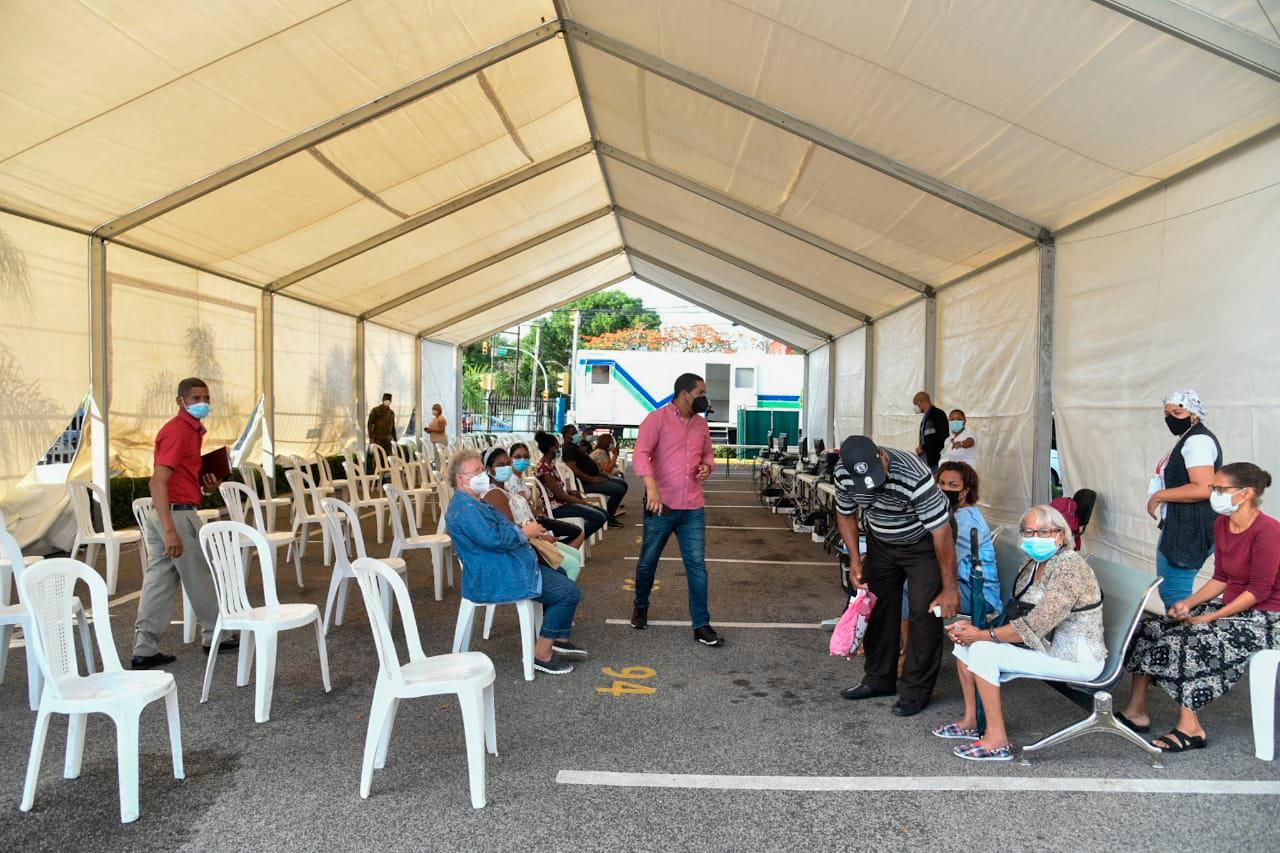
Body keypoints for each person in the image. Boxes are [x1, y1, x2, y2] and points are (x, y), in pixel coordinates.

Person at [1121, 463, 1280, 753]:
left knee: (1191, 639)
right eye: (1213, 488)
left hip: (1267, 617)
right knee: (1150, 627)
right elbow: (1222, 577)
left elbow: (1258, 591)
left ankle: (1190, 728)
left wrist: (1212, 616)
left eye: (1220, 489)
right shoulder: (1222, 524)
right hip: (1233, 605)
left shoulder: (1268, 531)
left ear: (1246, 493)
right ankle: (1136, 711)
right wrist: (1188, 604)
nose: (1213, 494)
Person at [939, 505, 1106, 761]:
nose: (1034, 538)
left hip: (1075, 658)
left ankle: (997, 741)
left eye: (1043, 532)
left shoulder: (1069, 567)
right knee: (966, 643)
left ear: (1060, 535)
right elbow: (1018, 612)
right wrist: (972, 629)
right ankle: (972, 721)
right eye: (1028, 532)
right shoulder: (1032, 563)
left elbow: (1036, 625)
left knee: (982, 650)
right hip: (1045, 646)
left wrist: (981, 635)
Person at [835, 434, 958, 716]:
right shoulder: (843, 472)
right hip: (882, 541)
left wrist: (949, 588)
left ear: (881, 455)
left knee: (925, 611)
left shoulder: (913, 473)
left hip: (924, 542)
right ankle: (879, 680)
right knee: (877, 606)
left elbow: (942, 534)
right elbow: (846, 515)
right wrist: (854, 560)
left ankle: (916, 691)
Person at [445, 448, 586, 674]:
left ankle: (558, 638)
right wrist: (524, 533)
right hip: (499, 574)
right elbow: (494, 539)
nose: (482, 475)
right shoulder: (466, 509)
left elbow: (499, 532)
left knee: (560, 574)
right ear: (461, 479)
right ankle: (542, 654)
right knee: (569, 593)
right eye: (476, 471)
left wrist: (525, 533)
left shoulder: (472, 502)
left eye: (482, 470)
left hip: (504, 565)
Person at [131, 378, 236, 669]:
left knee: (159, 582)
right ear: (180, 401)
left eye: (206, 398)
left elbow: (179, 477)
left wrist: (207, 485)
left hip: (166, 512)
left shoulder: (189, 431)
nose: (203, 403)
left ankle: (144, 648)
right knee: (199, 575)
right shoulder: (179, 431)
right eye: (195, 398)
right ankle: (216, 635)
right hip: (176, 514)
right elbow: (157, 481)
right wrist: (170, 530)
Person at [630, 372, 723, 647]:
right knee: (648, 562)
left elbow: (708, 454)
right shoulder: (656, 419)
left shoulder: (701, 425)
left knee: (697, 567)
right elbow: (640, 454)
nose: (704, 398)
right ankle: (641, 605)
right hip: (661, 506)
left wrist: (707, 466)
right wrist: (651, 488)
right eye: (700, 393)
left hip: (693, 507)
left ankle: (701, 625)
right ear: (684, 394)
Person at [1146, 389, 1221, 608]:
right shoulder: (1189, 438)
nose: (1171, 419)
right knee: (1173, 592)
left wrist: (1159, 496)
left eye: (1177, 413)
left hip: (1189, 528)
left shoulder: (1197, 441)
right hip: (1183, 525)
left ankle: (1187, 630)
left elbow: (1203, 488)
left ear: (1194, 414)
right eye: (1167, 414)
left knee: (1174, 595)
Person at [482, 446, 584, 576]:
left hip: (533, 535)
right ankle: (561, 584)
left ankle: (559, 580)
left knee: (575, 555)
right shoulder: (494, 493)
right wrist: (541, 536)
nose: (507, 467)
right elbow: (510, 528)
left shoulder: (505, 488)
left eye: (508, 463)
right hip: (526, 542)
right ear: (490, 469)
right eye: (501, 465)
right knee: (572, 566)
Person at [937, 461, 1000, 620]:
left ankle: (908, 636)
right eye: (941, 483)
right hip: (961, 585)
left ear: (965, 491)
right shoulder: (952, 514)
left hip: (979, 595)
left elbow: (941, 559)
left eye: (953, 485)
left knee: (912, 587)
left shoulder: (968, 522)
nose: (945, 489)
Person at [509, 442, 585, 548]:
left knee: (576, 533)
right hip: (529, 524)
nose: (522, 460)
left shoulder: (519, 478)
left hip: (535, 519)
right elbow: (522, 513)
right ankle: (558, 552)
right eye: (517, 457)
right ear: (510, 459)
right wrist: (542, 533)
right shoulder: (512, 480)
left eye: (525, 457)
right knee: (578, 533)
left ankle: (559, 551)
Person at [533, 431, 607, 539]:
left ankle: (576, 538)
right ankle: (572, 541)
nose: (559, 450)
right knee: (600, 517)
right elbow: (561, 496)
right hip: (557, 508)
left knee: (603, 513)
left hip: (562, 503)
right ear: (552, 449)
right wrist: (583, 503)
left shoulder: (549, 464)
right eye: (558, 447)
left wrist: (570, 491)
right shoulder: (544, 469)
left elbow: (555, 489)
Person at [562, 424, 627, 528]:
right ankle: (609, 517)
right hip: (586, 483)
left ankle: (609, 513)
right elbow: (573, 468)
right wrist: (591, 479)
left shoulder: (575, 447)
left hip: (593, 478)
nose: (576, 434)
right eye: (573, 433)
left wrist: (600, 474)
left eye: (576, 432)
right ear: (566, 435)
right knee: (619, 489)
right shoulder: (568, 448)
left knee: (622, 484)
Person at [913, 391, 949, 473]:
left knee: (935, 478)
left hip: (935, 459)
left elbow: (941, 436)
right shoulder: (926, 417)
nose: (915, 407)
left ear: (920, 402)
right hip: (926, 459)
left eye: (915, 404)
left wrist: (923, 447)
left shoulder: (937, 414)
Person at [367, 393, 397, 460]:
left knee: (387, 459)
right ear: (383, 400)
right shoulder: (375, 410)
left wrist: (395, 440)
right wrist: (371, 438)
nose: (388, 401)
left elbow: (393, 427)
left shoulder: (391, 413)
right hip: (378, 439)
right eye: (386, 400)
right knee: (377, 459)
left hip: (388, 441)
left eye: (389, 400)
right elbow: (369, 424)